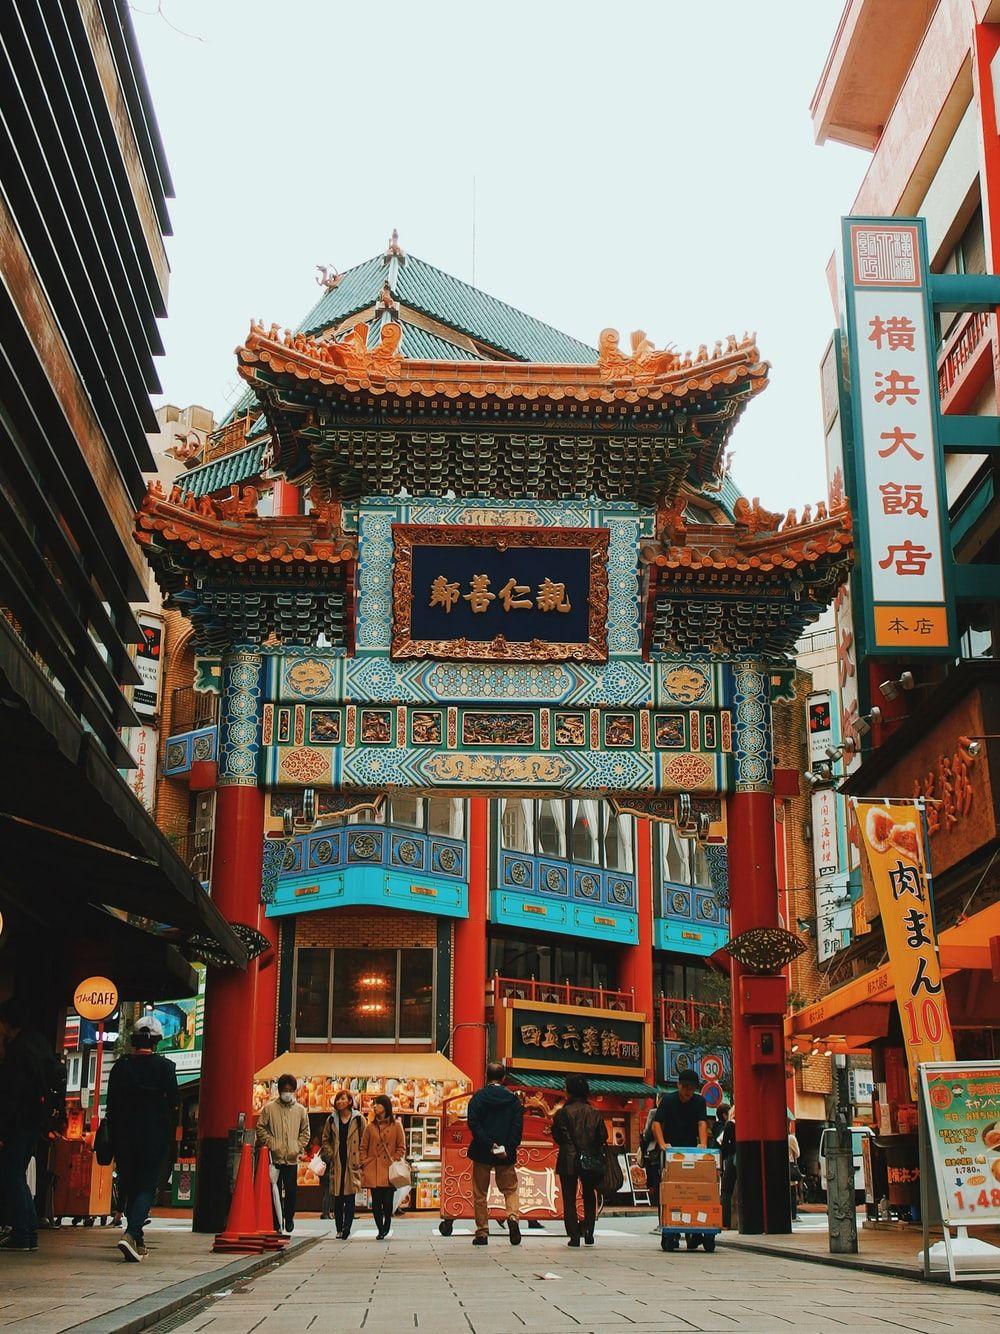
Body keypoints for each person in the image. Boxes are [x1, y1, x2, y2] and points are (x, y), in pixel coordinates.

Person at [105, 1014, 178, 1262]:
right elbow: (174, 1105)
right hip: (154, 1135)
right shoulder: (166, 1068)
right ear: (156, 1042)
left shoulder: (120, 1067)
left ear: (133, 1041)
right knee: (147, 1185)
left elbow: (111, 1105)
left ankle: (138, 1241)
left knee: (130, 1185)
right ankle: (132, 1232)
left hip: (124, 1136)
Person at [0, 996, 62, 1254]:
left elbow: (11, 1094)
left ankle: (22, 1233)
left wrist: (3, 1130)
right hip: (34, 1120)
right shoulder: (40, 1045)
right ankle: (28, 1231)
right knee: (18, 1174)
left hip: (18, 1122)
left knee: (12, 1174)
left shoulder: (18, 1051)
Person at [652, 1068, 710, 1248]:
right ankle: (671, 1230)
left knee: (692, 1191)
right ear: (678, 1085)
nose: (688, 1092)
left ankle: (694, 1229)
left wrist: (703, 1145)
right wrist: (662, 1144)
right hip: (670, 1151)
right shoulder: (668, 1100)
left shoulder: (699, 1101)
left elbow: (702, 1123)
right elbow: (656, 1124)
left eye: (691, 1088)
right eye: (685, 1087)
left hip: (691, 1151)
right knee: (670, 1192)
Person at [466, 1062, 523, 1247]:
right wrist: (507, 1146)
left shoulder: (478, 1098)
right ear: (504, 1078)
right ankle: (513, 1218)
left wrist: (490, 1144)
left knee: (480, 1193)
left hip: (482, 1151)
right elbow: (517, 1127)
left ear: (486, 1075)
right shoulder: (513, 1099)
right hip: (506, 1154)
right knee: (510, 1189)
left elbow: (474, 1124)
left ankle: (482, 1232)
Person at [551, 1075, 607, 1247]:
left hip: (568, 1158)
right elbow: (603, 1136)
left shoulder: (562, 1113)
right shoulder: (595, 1112)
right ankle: (589, 1232)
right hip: (590, 1159)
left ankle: (574, 1236)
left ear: (569, 1091)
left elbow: (558, 1136)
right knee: (589, 1195)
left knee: (569, 1198)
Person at [256, 1074, 309, 1235]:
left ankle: (289, 1216)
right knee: (274, 1191)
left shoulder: (300, 1110)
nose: (287, 1092)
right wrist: (272, 1143)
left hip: (292, 1158)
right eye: (284, 1090)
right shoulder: (269, 1108)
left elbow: (305, 1132)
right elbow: (260, 1128)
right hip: (275, 1158)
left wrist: (297, 1146)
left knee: (292, 1190)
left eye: (290, 1090)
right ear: (279, 1091)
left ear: (294, 1091)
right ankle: (276, 1222)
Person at [361, 1094, 405, 1240]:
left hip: (389, 1169)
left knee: (387, 1202)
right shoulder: (370, 1127)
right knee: (376, 1202)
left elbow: (401, 1147)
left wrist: (395, 1159)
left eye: (377, 1104)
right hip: (373, 1169)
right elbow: (363, 1147)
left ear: (385, 1107)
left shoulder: (396, 1126)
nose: (374, 1107)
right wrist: (365, 1162)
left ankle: (387, 1224)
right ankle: (380, 1229)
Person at [321, 1090, 363, 1238]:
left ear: (350, 1101)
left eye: (342, 1099)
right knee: (338, 1198)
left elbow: (364, 1140)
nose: (339, 1102)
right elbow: (325, 1139)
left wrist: (359, 1157)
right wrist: (331, 1153)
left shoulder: (358, 1119)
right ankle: (339, 1228)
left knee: (350, 1197)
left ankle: (347, 1229)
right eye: (338, 1099)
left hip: (352, 1162)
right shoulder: (331, 1120)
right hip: (337, 1162)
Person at [720, 1106, 737, 1229]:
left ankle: (725, 1222)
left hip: (733, 1160)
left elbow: (724, 1146)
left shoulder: (731, 1125)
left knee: (726, 1190)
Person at [788, 1116, 801, 1222]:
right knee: (792, 1192)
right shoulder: (791, 1138)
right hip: (790, 1165)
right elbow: (797, 1153)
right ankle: (793, 1215)